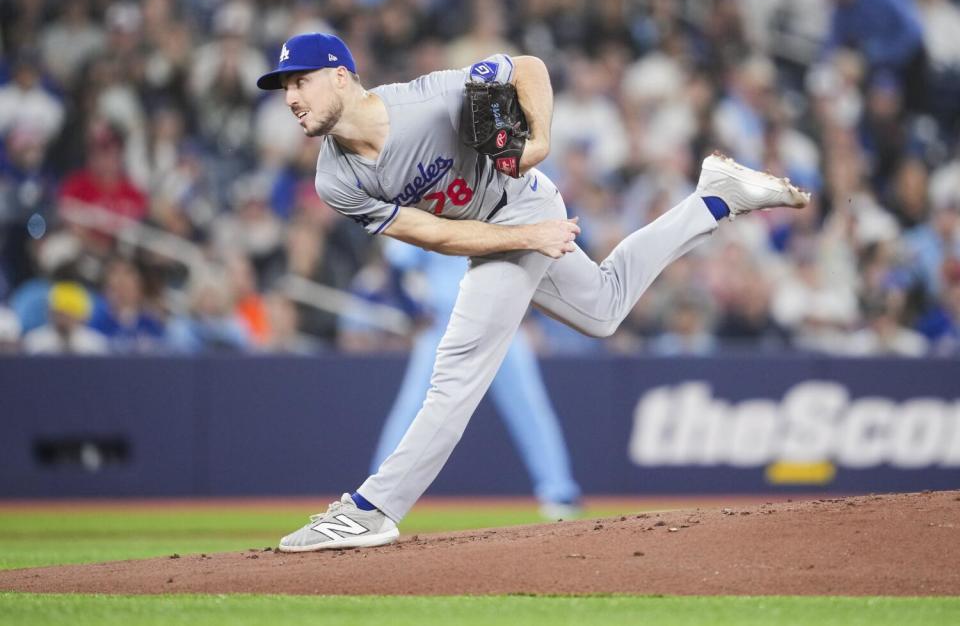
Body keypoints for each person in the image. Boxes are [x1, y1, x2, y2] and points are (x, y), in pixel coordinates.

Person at [256, 33, 809, 552]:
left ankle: (373, 508)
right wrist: (527, 238)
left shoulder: (424, 100)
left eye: (300, 80)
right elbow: (432, 233)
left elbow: (527, 67)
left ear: (341, 76)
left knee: (457, 370)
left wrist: (539, 142)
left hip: (519, 204)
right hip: (506, 230)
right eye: (285, 87)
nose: (291, 97)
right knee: (604, 309)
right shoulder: (334, 179)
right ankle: (715, 199)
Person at [371, 238, 581, 519]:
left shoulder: (504, 208)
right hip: (445, 325)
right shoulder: (433, 206)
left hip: (501, 324)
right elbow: (396, 265)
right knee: (411, 410)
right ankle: (374, 498)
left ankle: (560, 492)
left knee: (531, 410)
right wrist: (414, 313)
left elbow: (534, 264)